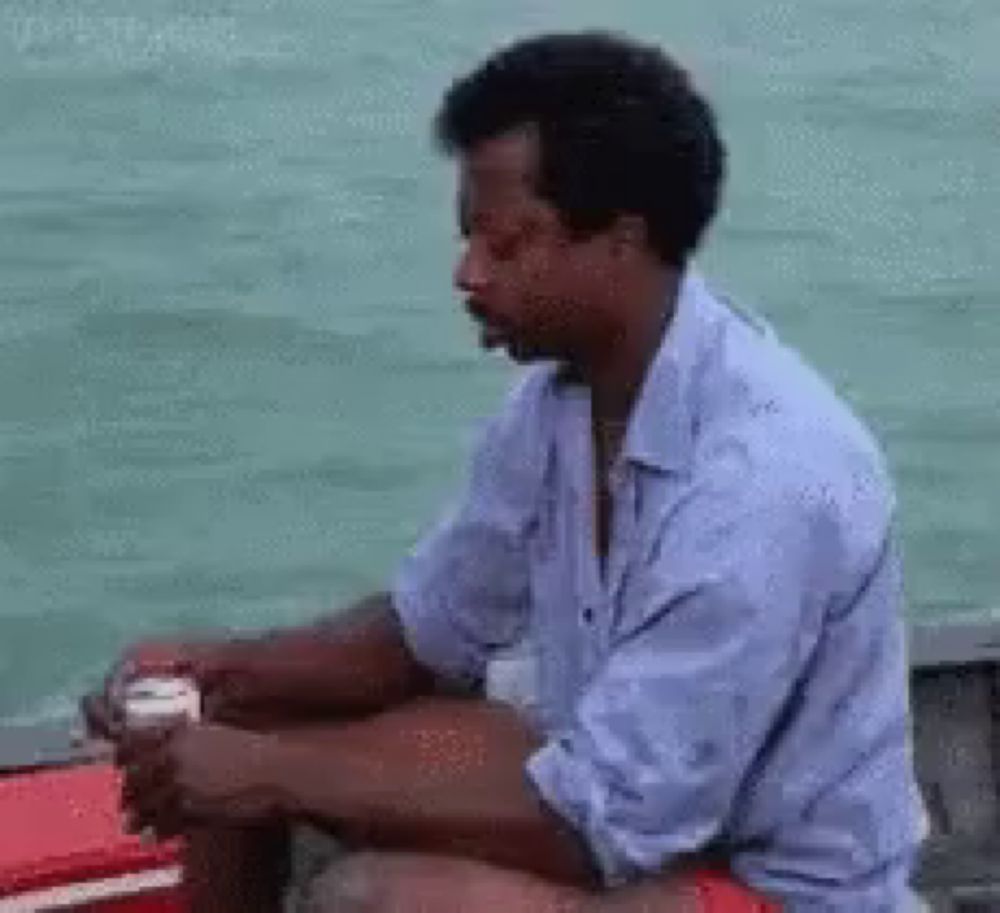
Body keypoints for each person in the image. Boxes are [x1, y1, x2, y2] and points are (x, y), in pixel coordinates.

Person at [83, 31, 927, 912]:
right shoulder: (560, 403)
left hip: (765, 888)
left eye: (505, 244)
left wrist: (273, 776)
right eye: (466, 239)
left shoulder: (765, 482)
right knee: (240, 728)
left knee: (369, 897)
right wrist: (222, 675)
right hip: (632, 821)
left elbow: (603, 820)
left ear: (620, 242)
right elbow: (424, 632)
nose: (468, 273)